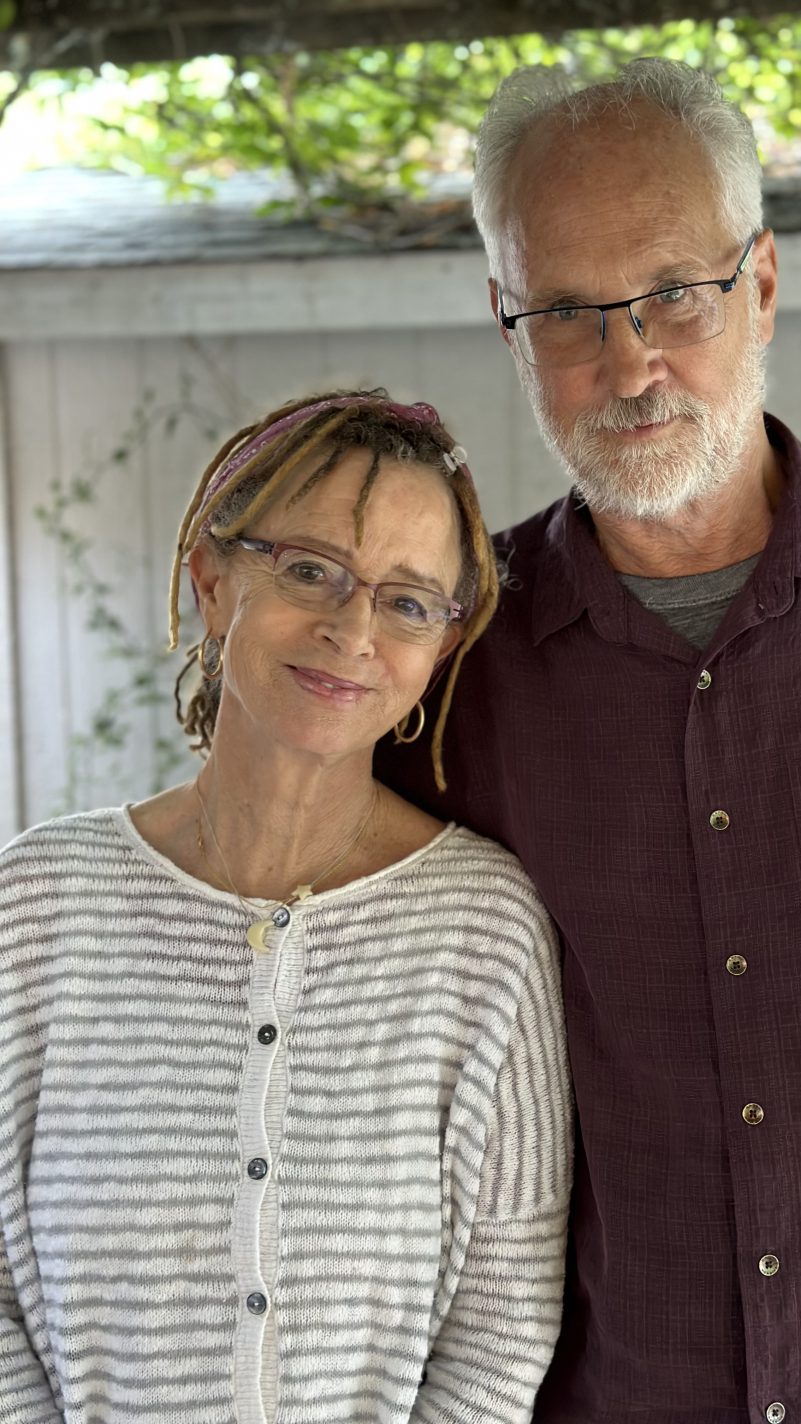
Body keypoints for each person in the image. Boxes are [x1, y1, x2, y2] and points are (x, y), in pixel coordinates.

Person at [376, 60, 801, 1424]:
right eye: (566, 309)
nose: (626, 361)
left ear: (759, 286)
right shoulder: (453, 669)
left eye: (672, 294)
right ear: (507, 323)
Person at [0, 390, 572, 1423]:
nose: (353, 628)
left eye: (407, 601)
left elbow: (503, 1314)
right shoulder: (37, 908)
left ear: (442, 646)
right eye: (310, 569)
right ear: (214, 581)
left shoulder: (483, 930)